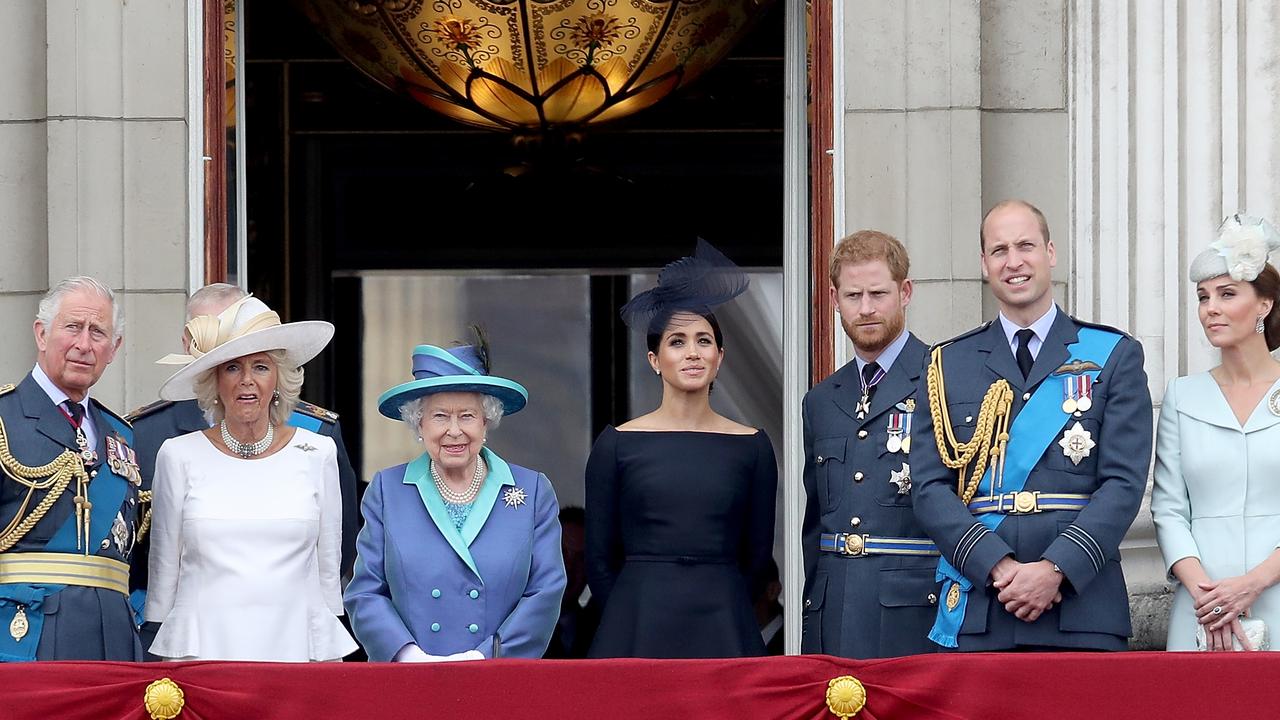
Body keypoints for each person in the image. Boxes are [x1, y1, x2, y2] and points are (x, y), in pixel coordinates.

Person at [911, 199, 1153, 651]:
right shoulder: (947, 363)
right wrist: (998, 568)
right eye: (999, 250)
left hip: (1081, 608)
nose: (1014, 261)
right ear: (984, 264)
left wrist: (1055, 569)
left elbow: (1122, 484)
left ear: (1051, 252)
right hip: (983, 605)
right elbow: (928, 489)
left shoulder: (1113, 355)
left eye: (1026, 245)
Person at [586, 240, 778, 658]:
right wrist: (630, 607)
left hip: (724, 621)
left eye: (703, 341)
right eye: (677, 341)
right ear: (654, 359)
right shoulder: (616, 444)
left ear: (720, 356)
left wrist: (721, 594)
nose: (692, 352)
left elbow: (757, 555)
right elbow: (599, 559)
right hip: (636, 622)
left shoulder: (754, 446)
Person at [143, 296, 358, 661]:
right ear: (214, 381)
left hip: (295, 653)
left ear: (279, 378)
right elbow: (163, 580)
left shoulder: (318, 453)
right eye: (231, 368)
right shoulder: (177, 455)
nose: (247, 381)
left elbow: (328, 582)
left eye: (260, 367)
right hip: (202, 655)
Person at [344, 335, 566, 661]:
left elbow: (545, 592)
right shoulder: (387, 491)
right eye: (439, 416)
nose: (454, 430)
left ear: (486, 422)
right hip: (412, 680)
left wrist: (485, 656)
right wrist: (407, 656)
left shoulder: (532, 491)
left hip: (498, 678)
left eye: (467, 415)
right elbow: (365, 592)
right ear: (418, 423)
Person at [801, 230, 940, 658]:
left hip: (914, 614)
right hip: (833, 613)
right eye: (853, 295)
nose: (865, 309)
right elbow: (814, 527)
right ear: (833, 298)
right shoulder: (821, 400)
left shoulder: (943, 379)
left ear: (905, 292)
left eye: (878, 293)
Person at [1153, 214, 1280, 652]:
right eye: (1203, 297)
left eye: (1228, 294)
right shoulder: (1182, 396)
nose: (1211, 308)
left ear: (1264, 304)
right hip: (1201, 609)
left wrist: (1253, 583)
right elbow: (1168, 509)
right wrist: (1209, 595)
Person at [0, 276, 143, 662]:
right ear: (41, 333)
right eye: (73, 327)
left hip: (113, 639)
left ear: (114, 349)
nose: (84, 344)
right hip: (25, 637)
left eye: (98, 332)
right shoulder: (4, 418)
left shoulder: (123, 435)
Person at [544, 506, 602, 658]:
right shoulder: (513, 623)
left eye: (581, 558)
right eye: (562, 552)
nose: (569, 565)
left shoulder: (603, 628)